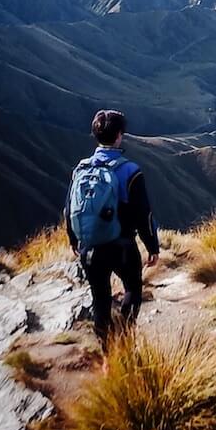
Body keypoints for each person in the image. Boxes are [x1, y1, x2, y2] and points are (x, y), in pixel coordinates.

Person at [65, 109, 159, 353]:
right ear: (119, 135)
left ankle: (107, 352)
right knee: (132, 290)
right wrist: (152, 247)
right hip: (122, 246)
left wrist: (74, 238)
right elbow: (143, 214)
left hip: (90, 246)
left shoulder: (81, 169)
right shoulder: (130, 171)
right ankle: (125, 342)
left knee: (100, 299)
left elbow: (69, 208)